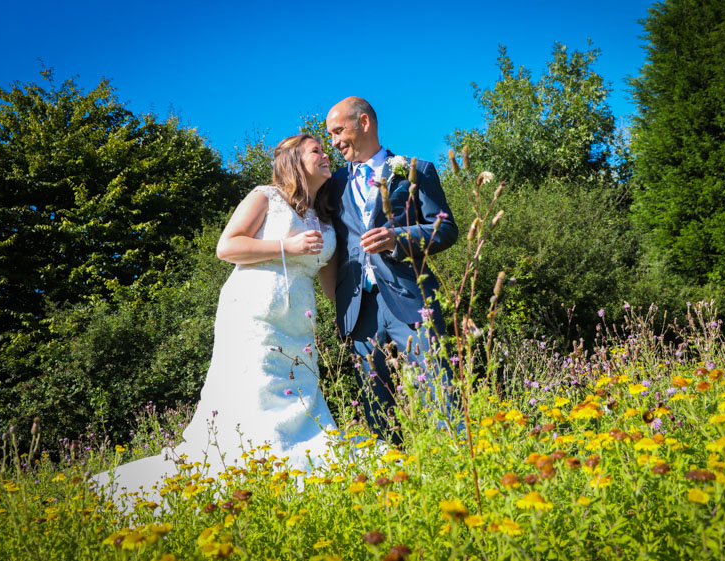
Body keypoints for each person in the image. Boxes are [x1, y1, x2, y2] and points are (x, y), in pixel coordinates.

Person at [94, 134, 339, 503]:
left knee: (299, 387)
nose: (326, 154)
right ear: (293, 160)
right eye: (316, 150)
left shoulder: (326, 219)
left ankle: (302, 463)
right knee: (256, 384)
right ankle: (249, 466)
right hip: (253, 309)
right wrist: (285, 246)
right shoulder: (265, 197)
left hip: (299, 319)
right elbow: (227, 247)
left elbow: (332, 285)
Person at [325, 97, 460, 445]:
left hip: (410, 298)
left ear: (364, 122)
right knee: (375, 405)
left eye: (338, 131)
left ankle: (456, 459)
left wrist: (398, 238)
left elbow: (446, 229)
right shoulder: (332, 184)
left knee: (439, 390)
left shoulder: (416, 170)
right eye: (330, 135)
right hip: (358, 308)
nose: (335, 142)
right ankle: (390, 470)